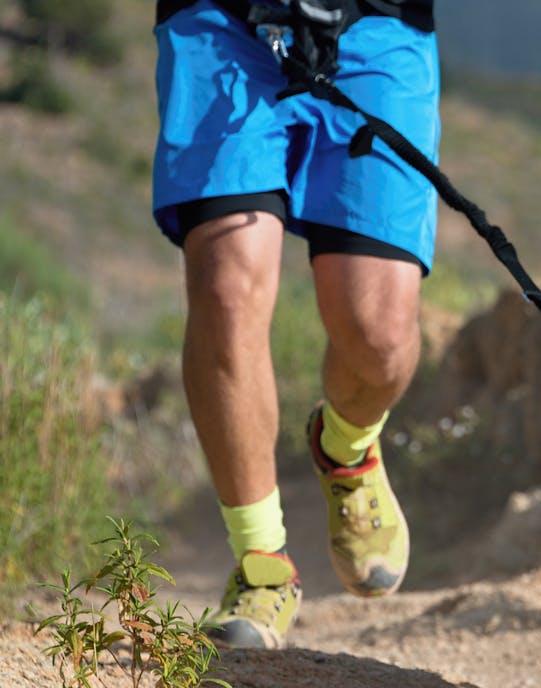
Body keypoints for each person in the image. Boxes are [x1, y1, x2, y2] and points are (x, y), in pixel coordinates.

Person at [151, 0, 439, 648]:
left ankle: (346, 445)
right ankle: (262, 564)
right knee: (226, 284)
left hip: (379, 25)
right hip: (221, 23)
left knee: (380, 335)